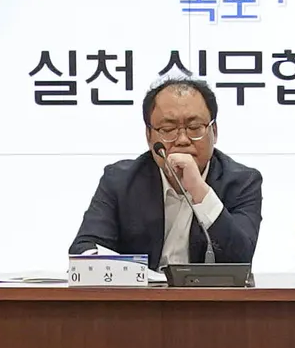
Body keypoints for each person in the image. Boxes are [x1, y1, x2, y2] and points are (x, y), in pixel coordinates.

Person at [72, 77, 264, 265]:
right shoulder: (120, 181)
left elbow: (241, 258)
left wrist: (199, 191)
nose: (182, 140)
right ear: (149, 136)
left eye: (194, 127)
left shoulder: (243, 182)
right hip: (141, 287)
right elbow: (85, 248)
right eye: (168, 129)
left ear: (214, 131)